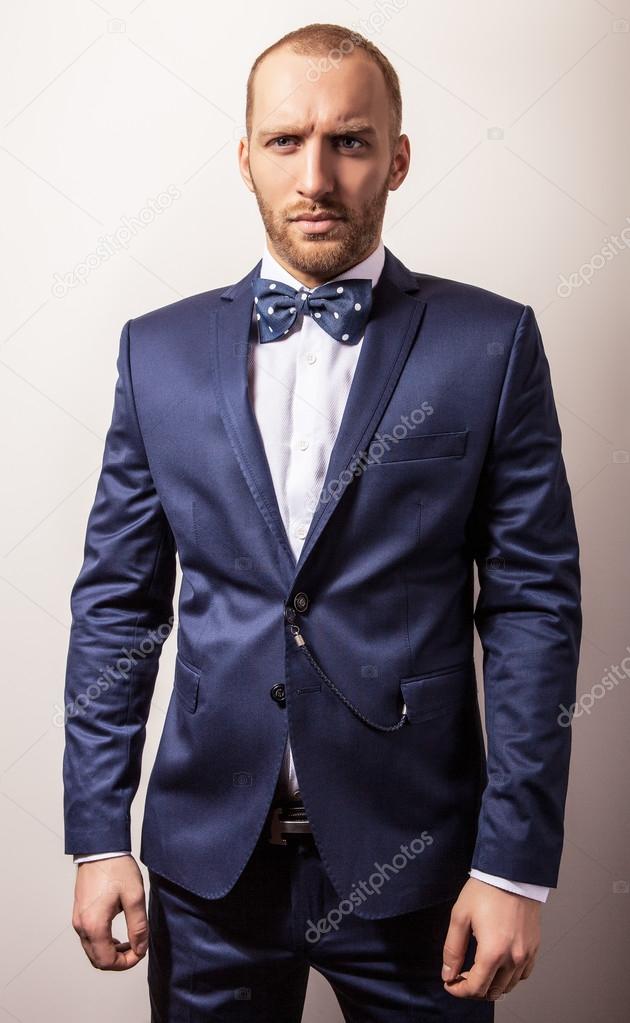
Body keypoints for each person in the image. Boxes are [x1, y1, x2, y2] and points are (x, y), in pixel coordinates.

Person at [64, 22, 581, 1021]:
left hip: (420, 868)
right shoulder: (157, 353)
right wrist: (98, 834)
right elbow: (119, 609)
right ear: (245, 157)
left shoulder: (492, 343)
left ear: (397, 157)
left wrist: (516, 864)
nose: (316, 176)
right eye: (286, 141)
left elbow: (532, 615)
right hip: (208, 867)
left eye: (348, 141)